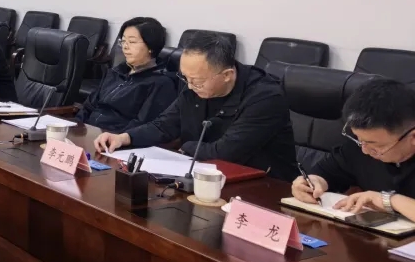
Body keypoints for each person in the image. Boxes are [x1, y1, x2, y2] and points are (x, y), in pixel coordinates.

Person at [94, 31, 297, 180]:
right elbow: (165, 124)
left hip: (264, 188)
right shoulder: (196, 85)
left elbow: (226, 153)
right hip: (206, 177)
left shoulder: (265, 97)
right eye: (185, 78)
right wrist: (125, 137)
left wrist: (185, 147)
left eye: (197, 81)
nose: (190, 86)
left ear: (227, 75)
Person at [292, 78, 415, 222]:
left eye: (377, 146)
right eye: (359, 139)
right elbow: (327, 172)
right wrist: (312, 182)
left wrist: (389, 201)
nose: (365, 150)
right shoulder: (361, 145)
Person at [77, 17, 178, 133]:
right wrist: (76, 127)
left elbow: (142, 125)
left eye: (132, 42)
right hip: (88, 132)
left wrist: (116, 138)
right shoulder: (115, 72)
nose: (125, 46)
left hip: (115, 138)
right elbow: (88, 106)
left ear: (151, 46)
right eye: (123, 41)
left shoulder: (161, 83)